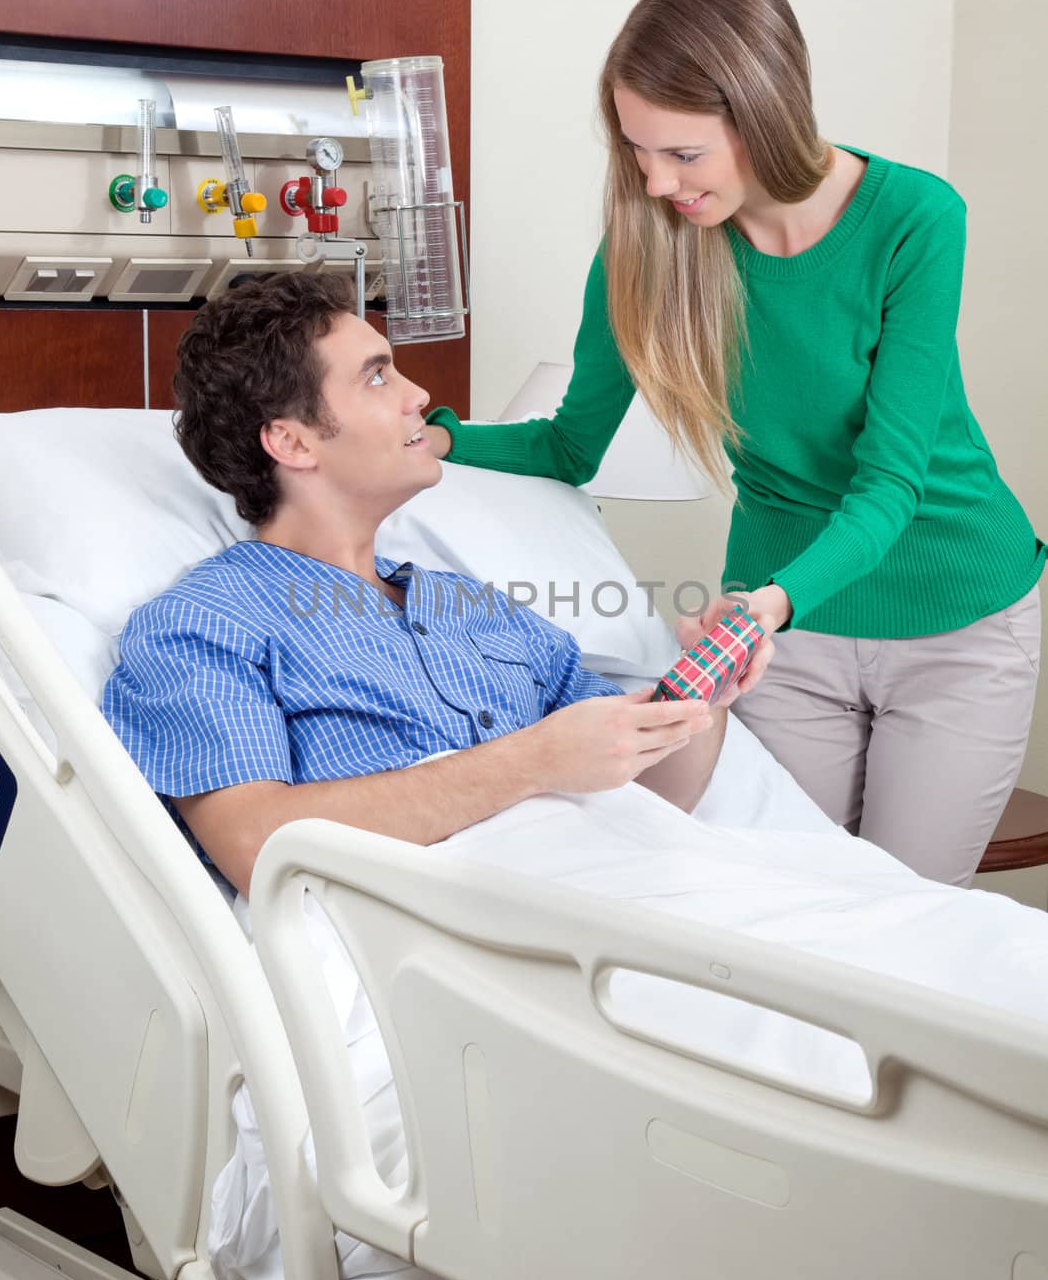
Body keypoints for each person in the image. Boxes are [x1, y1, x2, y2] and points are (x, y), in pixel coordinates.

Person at [423, 0, 1045, 888]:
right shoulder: (647, 250)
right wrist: (439, 438)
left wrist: (769, 605)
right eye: (637, 150)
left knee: (902, 921)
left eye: (682, 154)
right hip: (781, 640)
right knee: (779, 904)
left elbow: (889, 485)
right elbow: (565, 448)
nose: (655, 180)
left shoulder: (913, 219)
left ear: (761, 116)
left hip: (953, 615)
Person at [102, 271, 743, 899]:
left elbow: (654, 793)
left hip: (636, 893)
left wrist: (702, 698)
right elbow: (254, 842)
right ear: (292, 442)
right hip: (475, 950)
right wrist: (532, 762)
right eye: (377, 376)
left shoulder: (476, 608)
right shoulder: (206, 624)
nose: (417, 395)